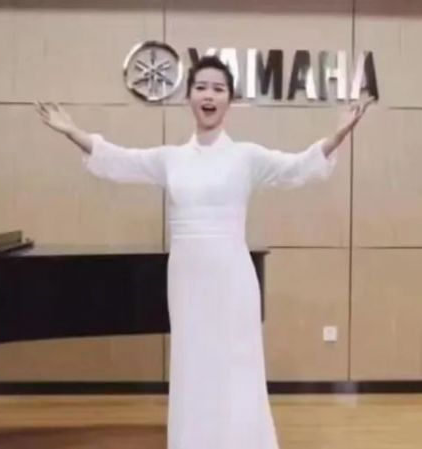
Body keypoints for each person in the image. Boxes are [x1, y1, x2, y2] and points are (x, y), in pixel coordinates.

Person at [35, 56, 373, 449]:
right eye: (201, 88)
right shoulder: (170, 159)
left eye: (218, 88)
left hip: (232, 279)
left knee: (237, 365)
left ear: (230, 100)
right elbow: (121, 160)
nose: (209, 95)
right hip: (186, 280)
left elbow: (297, 167)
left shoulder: (246, 156)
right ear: (189, 98)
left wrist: (338, 135)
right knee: (193, 363)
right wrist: (73, 131)